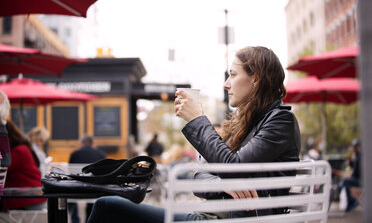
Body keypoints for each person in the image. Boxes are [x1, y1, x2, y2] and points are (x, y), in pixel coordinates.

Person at [87, 46, 301, 222]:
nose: (226, 84)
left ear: (256, 79)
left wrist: (197, 118)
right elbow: (201, 175)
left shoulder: (280, 120)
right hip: (214, 216)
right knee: (108, 205)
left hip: (229, 219)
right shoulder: (245, 123)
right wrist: (224, 183)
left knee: (107, 206)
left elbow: (233, 168)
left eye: (233, 75)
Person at [2, 120, 46, 210]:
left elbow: (4, 168)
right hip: (31, 196)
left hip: (25, 198)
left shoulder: (18, 152)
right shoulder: (22, 149)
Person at [68, 134, 106, 223]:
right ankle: (88, 220)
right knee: (92, 196)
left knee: (68, 198)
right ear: (92, 144)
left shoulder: (74, 154)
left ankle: (75, 220)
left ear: (82, 143)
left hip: (77, 189)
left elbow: (71, 172)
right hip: (94, 190)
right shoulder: (101, 154)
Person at [338, 139, 361, 212]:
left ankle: (351, 202)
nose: (354, 148)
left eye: (356, 147)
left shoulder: (360, 156)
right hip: (357, 178)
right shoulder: (357, 156)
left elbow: (358, 172)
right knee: (343, 182)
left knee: (345, 182)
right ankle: (351, 202)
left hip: (360, 180)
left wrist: (350, 176)